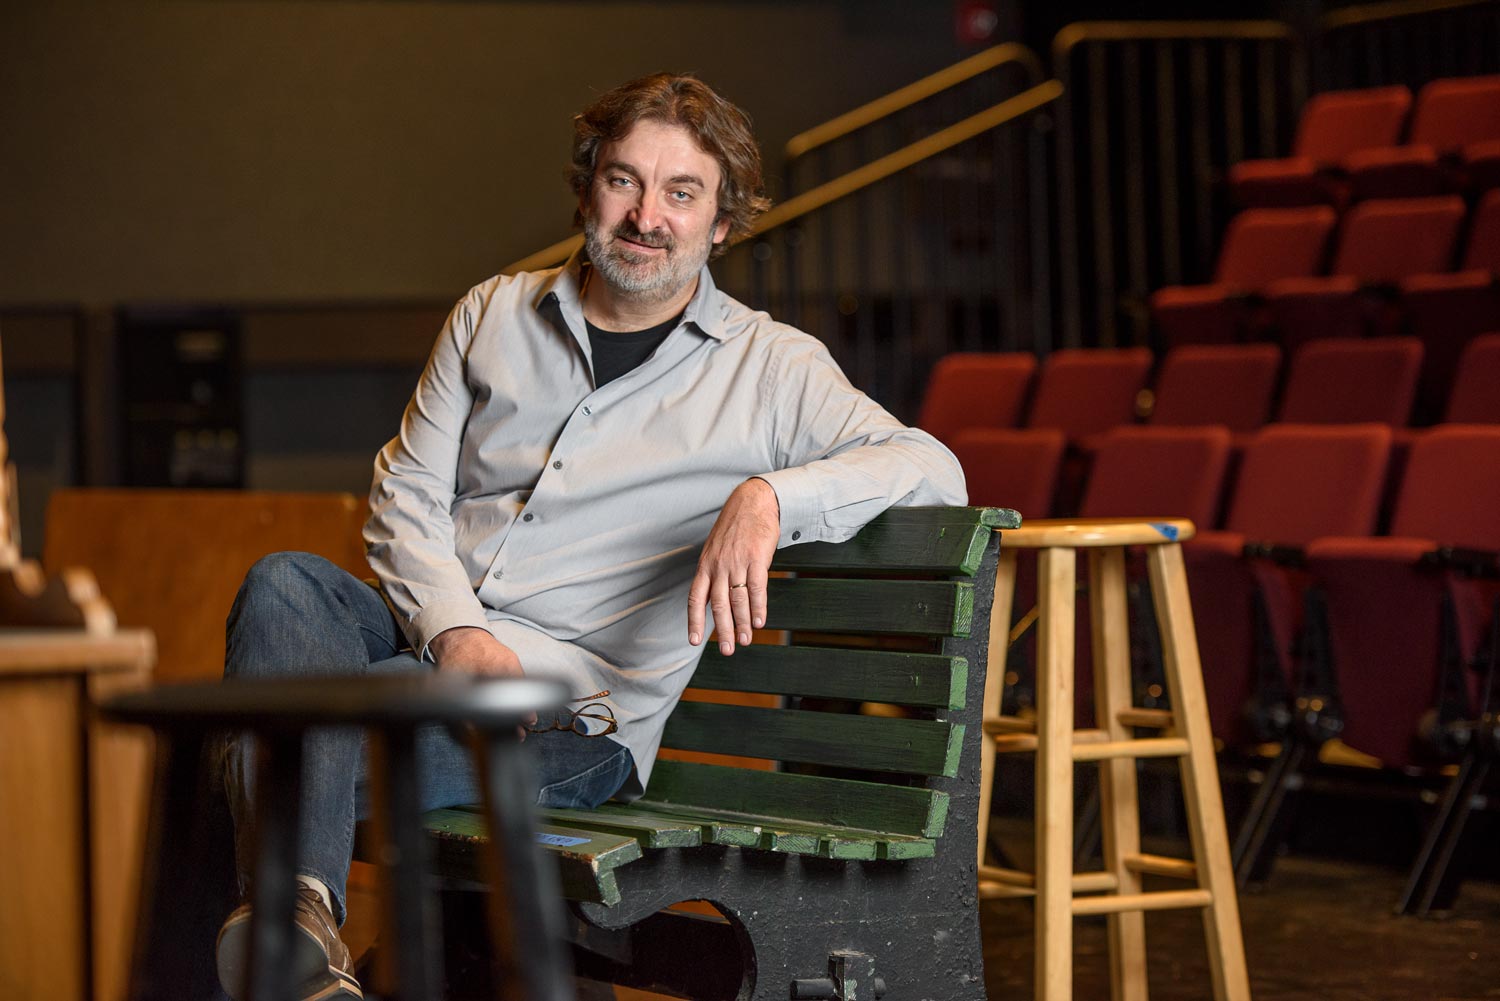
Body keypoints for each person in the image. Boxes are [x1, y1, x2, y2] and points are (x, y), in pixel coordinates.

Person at [213, 71, 966, 1001]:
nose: (648, 215)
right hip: (430, 652)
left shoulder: (772, 370)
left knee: (258, 744)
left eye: (683, 193)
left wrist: (771, 494)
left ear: (721, 222)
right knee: (284, 582)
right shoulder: (491, 314)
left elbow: (933, 468)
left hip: (571, 726)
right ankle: (296, 939)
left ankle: (283, 957)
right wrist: (458, 634)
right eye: (624, 181)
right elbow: (405, 492)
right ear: (585, 189)